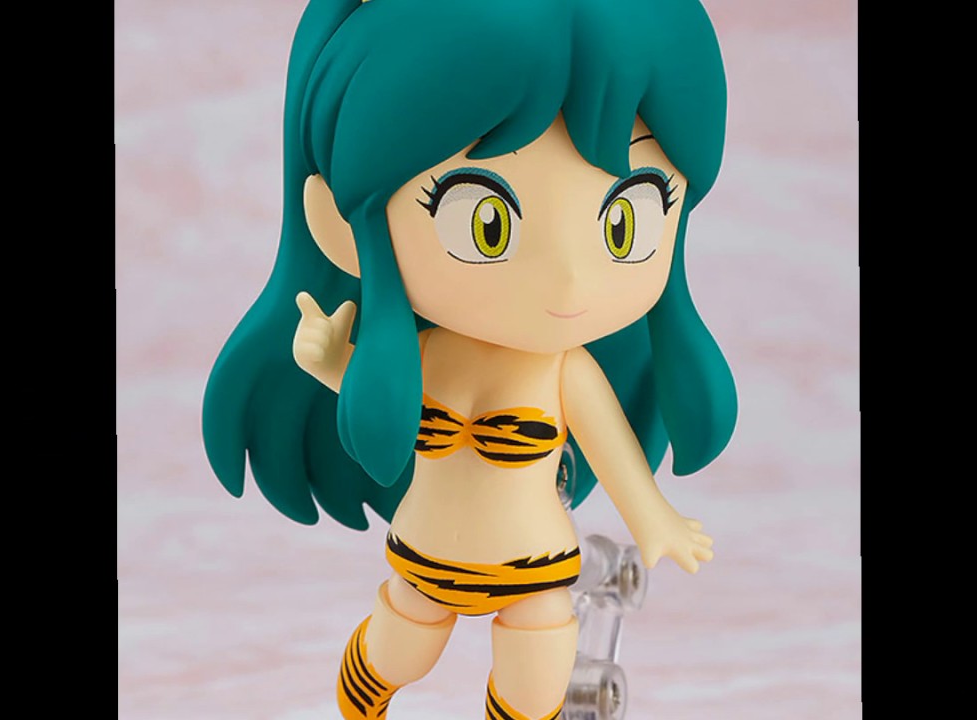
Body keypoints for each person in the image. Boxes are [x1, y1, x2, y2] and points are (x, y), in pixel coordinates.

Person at [202, 1, 736, 717]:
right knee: (401, 652)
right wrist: (332, 363)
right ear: (341, 224)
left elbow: (616, 457)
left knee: (536, 674)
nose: (567, 282)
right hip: (423, 557)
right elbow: (375, 399)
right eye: (486, 223)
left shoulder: (564, 370)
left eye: (624, 220)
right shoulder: (421, 357)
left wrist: (655, 518)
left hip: (536, 567)